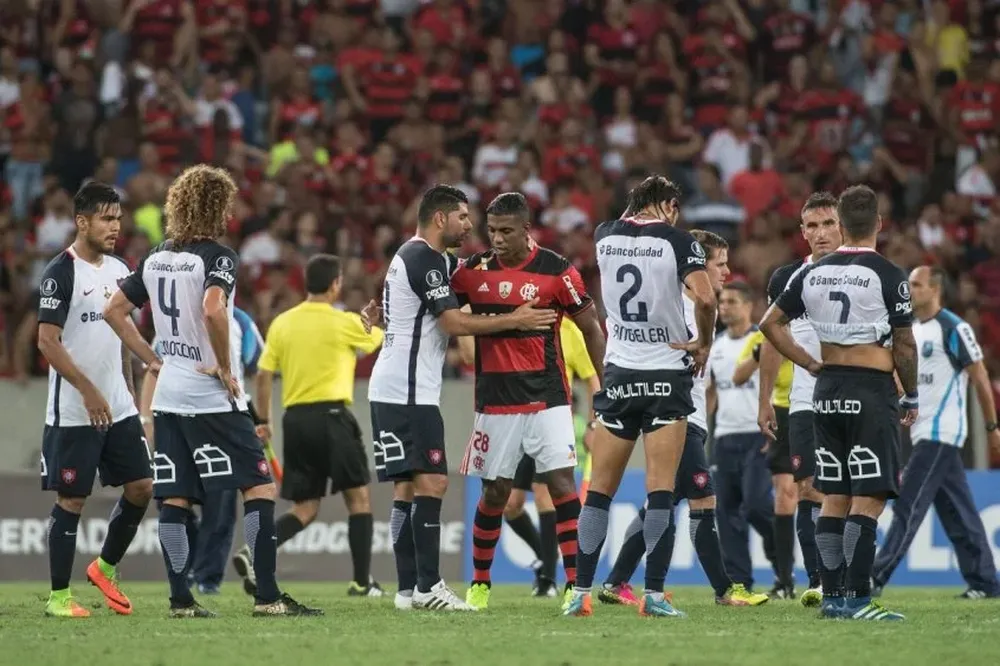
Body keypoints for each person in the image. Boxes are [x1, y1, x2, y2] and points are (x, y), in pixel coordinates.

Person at [104, 164, 321, 617]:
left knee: (177, 498)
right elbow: (213, 308)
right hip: (209, 393)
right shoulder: (218, 256)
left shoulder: (157, 256)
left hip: (169, 397)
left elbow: (114, 310)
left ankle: (181, 601)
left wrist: (151, 358)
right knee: (259, 488)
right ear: (217, 206)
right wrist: (224, 366)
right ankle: (267, 597)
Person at [366, 184, 557, 612]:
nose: (469, 225)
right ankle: (429, 587)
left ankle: (407, 590)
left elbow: (439, 286)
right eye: (463, 217)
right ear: (440, 219)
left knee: (407, 489)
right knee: (432, 482)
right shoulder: (425, 258)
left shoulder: (419, 257)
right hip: (408, 393)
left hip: (395, 388)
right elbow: (452, 323)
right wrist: (517, 319)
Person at [760, 185, 917, 621]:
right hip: (869, 389)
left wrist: (809, 363)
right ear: (879, 224)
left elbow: (769, 324)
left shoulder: (810, 274)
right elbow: (903, 343)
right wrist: (912, 391)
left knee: (833, 495)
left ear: (842, 225)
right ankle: (858, 599)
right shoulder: (888, 273)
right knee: (868, 497)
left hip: (825, 390)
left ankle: (831, 597)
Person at [565, 175, 717, 619]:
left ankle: (579, 593)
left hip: (619, 374)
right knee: (661, 492)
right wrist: (703, 343)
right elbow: (705, 299)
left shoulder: (604, 235)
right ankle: (652, 596)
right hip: (666, 373)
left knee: (599, 495)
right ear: (669, 205)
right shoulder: (678, 241)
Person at [450, 192, 606, 610]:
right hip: (494, 401)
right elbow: (441, 309)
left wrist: (605, 386)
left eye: (506, 231)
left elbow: (591, 328)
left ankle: (576, 586)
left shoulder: (557, 271)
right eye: (492, 231)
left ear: (526, 229)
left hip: (549, 397)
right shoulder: (470, 272)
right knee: (497, 494)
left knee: (560, 485)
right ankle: (480, 582)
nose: (497, 239)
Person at [599, 230, 769, 608]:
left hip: (691, 421)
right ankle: (725, 590)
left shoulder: (691, 309)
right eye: (719, 263)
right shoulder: (680, 310)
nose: (726, 271)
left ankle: (615, 582)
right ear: (695, 264)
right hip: (678, 420)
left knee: (660, 505)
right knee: (703, 500)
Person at [36, 182, 153, 618]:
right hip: (74, 411)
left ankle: (104, 567)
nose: (115, 226)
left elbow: (121, 334)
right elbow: (47, 342)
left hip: (117, 406)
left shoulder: (120, 269)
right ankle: (59, 598)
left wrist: (126, 388)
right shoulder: (60, 273)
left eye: (118, 218)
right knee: (73, 499)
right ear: (81, 221)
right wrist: (87, 390)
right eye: (106, 218)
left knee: (142, 487)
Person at [242, 254, 385, 599]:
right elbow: (375, 341)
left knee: (305, 507)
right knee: (359, 498)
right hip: (333, 417)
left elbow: (263, 375)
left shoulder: (283, 323)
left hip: (295, 421)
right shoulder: (343, 321)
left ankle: (253, 553)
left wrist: (264, 421)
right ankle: (361, 582)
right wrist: (369, 323)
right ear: (335, 284)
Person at [872, 266, 1000, 599]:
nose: (910, 290)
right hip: (921, 432)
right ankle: (985, 582)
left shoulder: (953, 327)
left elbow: (981, 378)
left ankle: (875, 577)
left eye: (916, 284)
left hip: (942, 431)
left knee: (908, 504)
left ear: (935, 289)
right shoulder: (909, 329)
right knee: (958, 511)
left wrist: (991, 426)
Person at [751, 191, 844, 606]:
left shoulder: (866, 273)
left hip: (855, 398)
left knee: (852, 492)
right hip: (807, 403)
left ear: (842, 226)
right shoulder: (786, 279)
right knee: (808, 488)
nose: (821, 233)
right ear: (802, 232)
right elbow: (772, 340)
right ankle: (820, 580)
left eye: (828, 223)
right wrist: (765, 399)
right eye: (813, 226)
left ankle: (851, 578)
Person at [139, 305, 265, 596]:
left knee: (219, 504)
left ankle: (208, 577)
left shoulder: (242, 321)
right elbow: (153, 370)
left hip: (224, 416)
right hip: (178, 415)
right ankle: (189, 569)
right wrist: (146, 420)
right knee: (173, 500)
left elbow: (260, 366)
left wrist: (255, 416)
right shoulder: (173, 321)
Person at [493, 317, 601, 599]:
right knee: (511, 504)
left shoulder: (570, 331)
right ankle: (546, 558)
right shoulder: (522, 321)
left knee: (544, 493)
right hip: (521, 421)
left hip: (553, 423)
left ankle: (548, 579)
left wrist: (592, 423)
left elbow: (593, 379)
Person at [705, 282, 779, 595]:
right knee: (726, 511)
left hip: (756, 434)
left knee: (756, 505)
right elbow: (711, 393)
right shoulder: (716, 345)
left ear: (749, 306)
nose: (724, 307)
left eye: (732, 301)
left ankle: (781, 554)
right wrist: (703, 433)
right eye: (721, 302)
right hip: (724, 437)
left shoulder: (765, 342)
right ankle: (739, 581)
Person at [732, 318, 794, 599]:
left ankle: (823, 576)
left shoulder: (814, 327)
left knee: (813, 492)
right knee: (784, 494)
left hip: (815, 408)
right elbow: (738, 376)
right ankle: (785, 579)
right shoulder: (761, 336)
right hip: (781, 413)